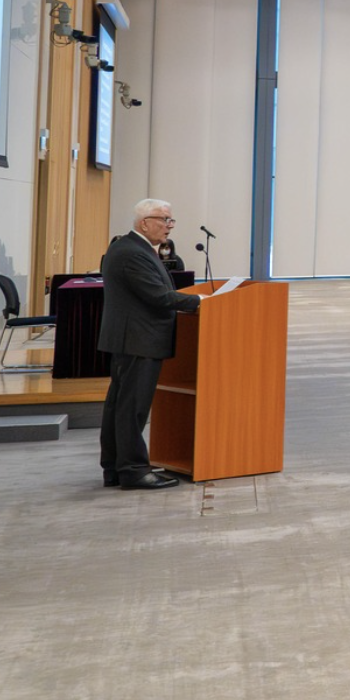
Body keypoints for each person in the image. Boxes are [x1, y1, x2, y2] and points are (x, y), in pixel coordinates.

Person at [98, 199, 204, 490]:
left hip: (133, 339)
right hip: (138, 340)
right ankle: (133, 470)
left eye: (171, 220)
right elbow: (158, 296)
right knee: (132, 409)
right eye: (164, 219)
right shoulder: (132, 252)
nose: (170, 226)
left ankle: (116, 467)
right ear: (145, 223)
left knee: (120, 406)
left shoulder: (131, 248)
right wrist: (200, 301)